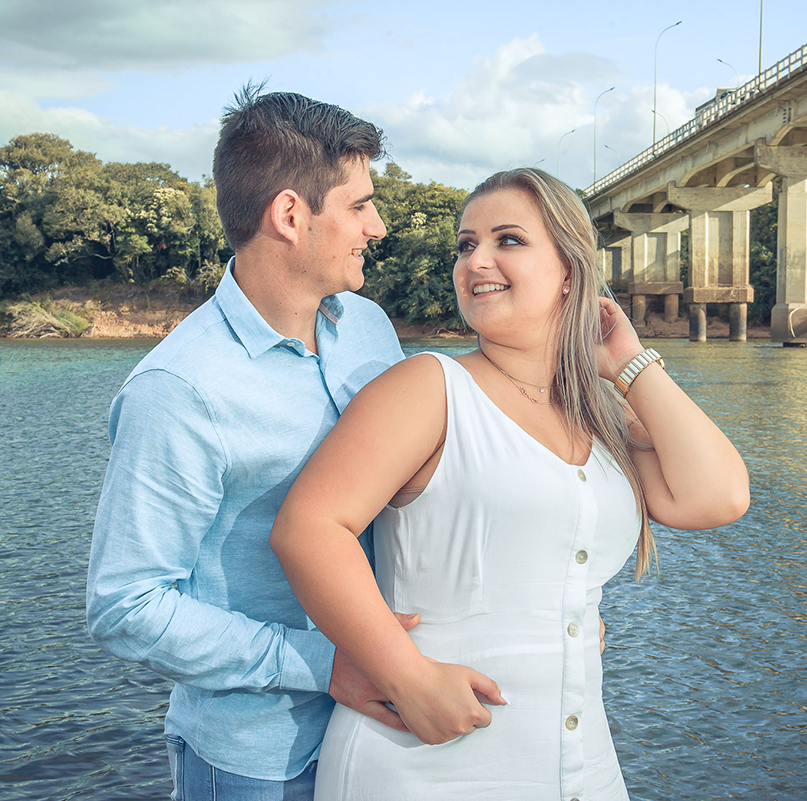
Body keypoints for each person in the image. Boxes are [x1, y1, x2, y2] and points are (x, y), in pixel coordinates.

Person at [270, 167, 750, 799]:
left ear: (571, 272)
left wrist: (629, 365)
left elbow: (717, 497)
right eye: (466, 245)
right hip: (425, 757)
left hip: (580, 765)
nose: (478, 261)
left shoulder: (602, 412)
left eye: (508, 241)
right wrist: (407, 677)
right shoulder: (428, 387)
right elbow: (309, 528)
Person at [85, 86, 503, 800]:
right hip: (259, 758)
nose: (379, 224)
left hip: (388, 731)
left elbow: (417, 500)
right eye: (359, 204)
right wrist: (321, 661)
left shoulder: (370, 327)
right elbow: (126, 604)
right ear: (289, 215)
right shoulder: (178, 391)